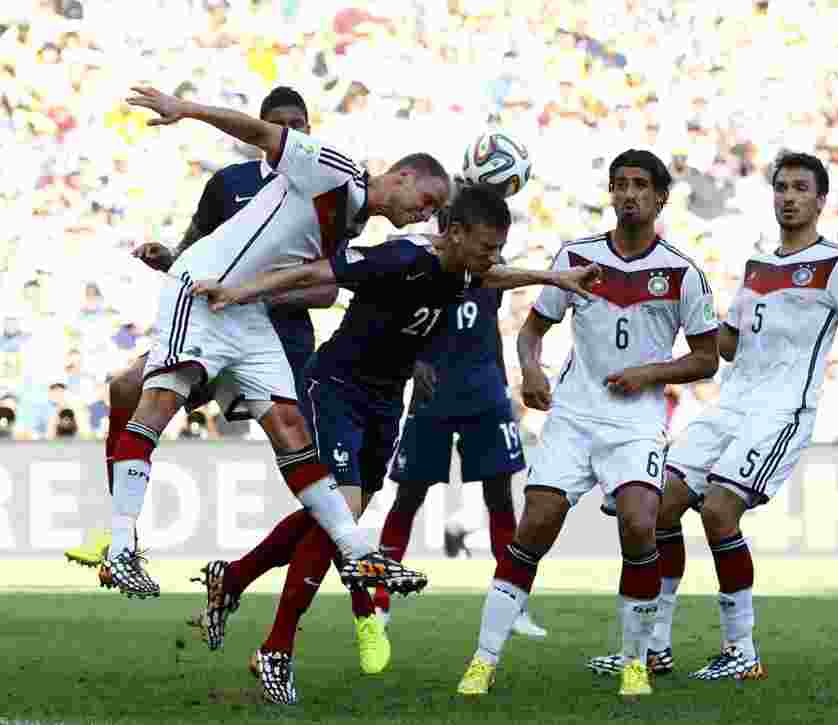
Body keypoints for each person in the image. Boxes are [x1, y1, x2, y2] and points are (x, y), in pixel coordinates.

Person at [189, 184, 601, 704]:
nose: (491, 259)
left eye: (497, 249)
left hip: (386, 403)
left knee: (332, 516)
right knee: (343, 509)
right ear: (452, 234)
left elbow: (493, 275)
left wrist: (553, 277)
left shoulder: (466, 267)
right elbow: (315, 273)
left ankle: (235, 579)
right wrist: (238, 292)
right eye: (485, 246)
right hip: (335, 389)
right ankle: (277, 648)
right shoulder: (399, 257)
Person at [587, 151, 838, 681]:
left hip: (781, 412)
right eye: (782, 187)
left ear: (821, 200)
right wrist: (699, 308)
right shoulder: (758, 267)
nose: (789, 197)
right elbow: (728, 346)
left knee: (717, 512)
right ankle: (653, 647)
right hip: (729, 407)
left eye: (801, 188)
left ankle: (742, 650)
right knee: (657, 510)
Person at [100, 84, 451, 599]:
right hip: (202, 288)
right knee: (156, 404)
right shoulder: (336, 169)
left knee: (289, 426)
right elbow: (263, 132)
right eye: (428, 200)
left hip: (244, 307)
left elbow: (316, 279)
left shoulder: (351, 221)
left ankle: (358, 553)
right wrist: (186, 109)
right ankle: (120, 547)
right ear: (402, 176)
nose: (427, 213)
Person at [456, 150, 720, 699]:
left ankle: (634, 662)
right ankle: (483, 659)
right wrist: (529, 369)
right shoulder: (578, 257)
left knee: (640, 524)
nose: (628, 194)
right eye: (620, 184)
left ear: (660, 198)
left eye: (640, 185)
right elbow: (532, 331)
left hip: (636, 422)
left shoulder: (681, 272)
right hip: (574, 417)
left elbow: (707, 358)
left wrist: (650, 372)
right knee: (536, 525)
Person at [63, 86, 337, 568]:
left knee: (319, 469)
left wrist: (253, 290)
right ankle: (120, 533)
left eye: (298, 125)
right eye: (279, 125)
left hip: (279, 343)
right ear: (262, 134)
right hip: (212, 327)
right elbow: (194, 253)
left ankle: (351, 572)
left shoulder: (324, 191)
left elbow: (327, 289)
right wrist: (169, 259)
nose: (289, 134)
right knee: (126, 387)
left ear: (311, 130)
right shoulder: (229, 183)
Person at [370, 203, 546, 640]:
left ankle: (513, 605)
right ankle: (379, 602)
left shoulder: (490, 265)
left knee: (500, 498)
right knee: (407, 497)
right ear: (452, 232)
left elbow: (502, 267)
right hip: (432, 394)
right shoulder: (420, 266)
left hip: (486, 392)